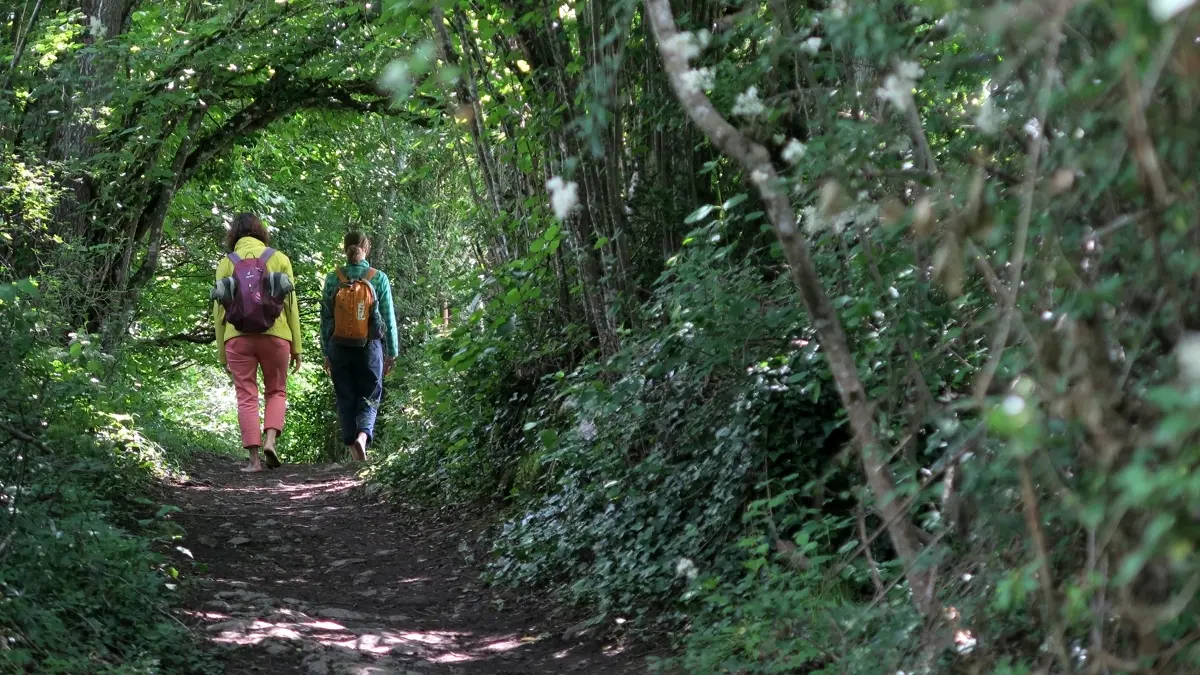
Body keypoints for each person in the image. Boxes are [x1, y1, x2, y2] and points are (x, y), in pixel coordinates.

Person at [211, 213, 303, 472]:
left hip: (237, 338)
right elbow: (291, 307)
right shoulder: (280, 258)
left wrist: (222, 354)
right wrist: (297, 348)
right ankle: (270, 440)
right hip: (277, 336)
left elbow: (219, 312)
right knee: (277, 391)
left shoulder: (226, 263)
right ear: (260, 232)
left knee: (246, 396)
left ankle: (253, 462)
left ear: (234, 236)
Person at [320, 231, 399, 461]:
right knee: (370, 394)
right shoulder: (378, 277)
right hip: (369, 348)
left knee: (345, 396)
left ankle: (352, 449)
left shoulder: (333, 277)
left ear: (345, 248)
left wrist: (326, 352)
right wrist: (391, 352)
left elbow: (325, 320)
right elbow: (388, 318)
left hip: (339, 346)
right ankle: (362, 437)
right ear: (367, 248)